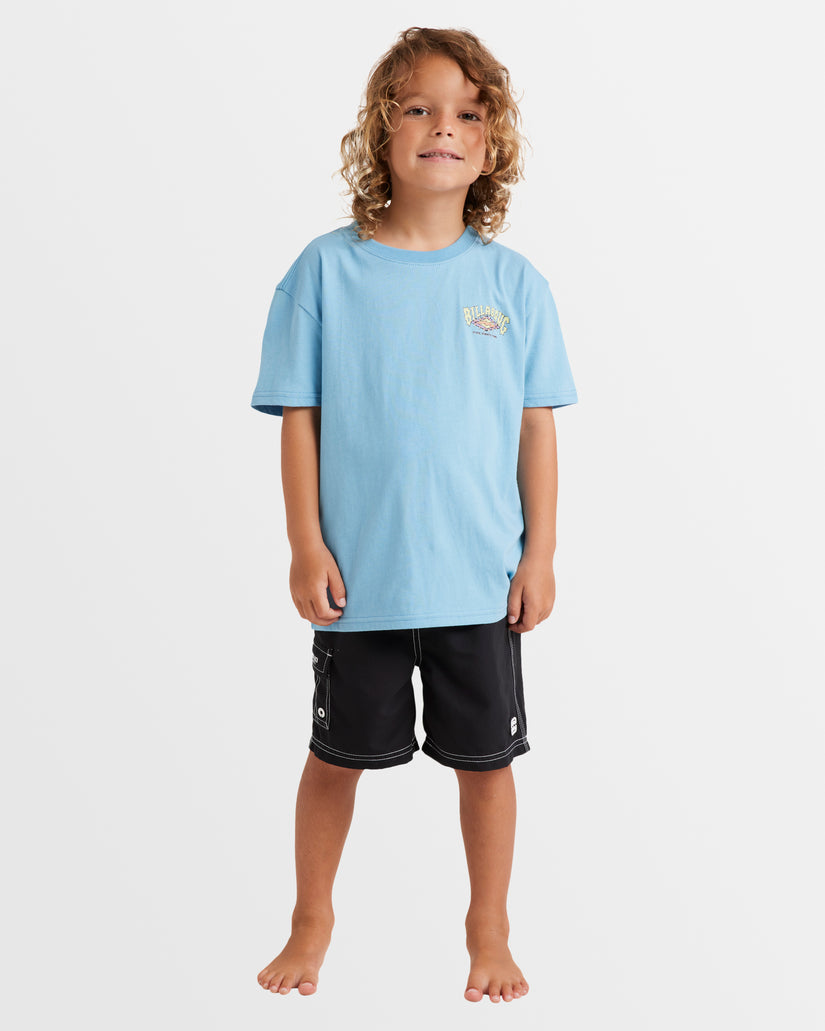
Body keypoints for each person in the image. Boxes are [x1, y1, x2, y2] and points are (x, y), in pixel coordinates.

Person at [250, 26, 578, 1004]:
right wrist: (304, 543)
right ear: (381, 129)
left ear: (491, 142)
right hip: (363, 581)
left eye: (469, 113)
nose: (445, 127)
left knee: (487, 763)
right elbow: (300, 417)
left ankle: (489, 927)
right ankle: (311, 918)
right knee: (334, 756)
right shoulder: (324, 271)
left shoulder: (513, 285)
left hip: (479, 581)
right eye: (421, 108)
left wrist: (540, 555)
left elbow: (535, 429)